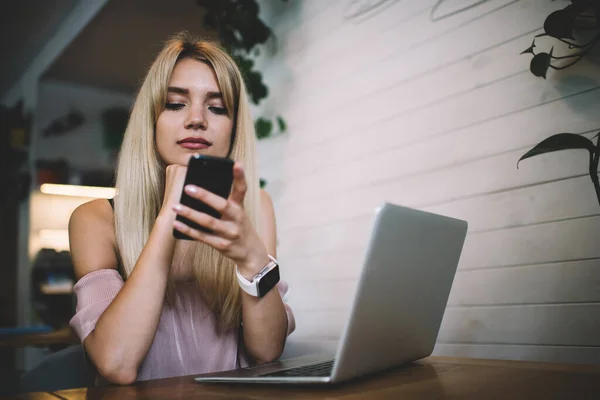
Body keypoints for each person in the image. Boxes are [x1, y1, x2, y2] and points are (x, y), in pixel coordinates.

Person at [68, 31, 295, 385]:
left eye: (217, 107)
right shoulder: (96, 219)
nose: (197, 119)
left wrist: (254, 260)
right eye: (175, 104)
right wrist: (167, 218)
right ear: (151, 120)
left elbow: (268, 350)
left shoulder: (256, 208)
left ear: (233, 130)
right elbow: (115, 363)